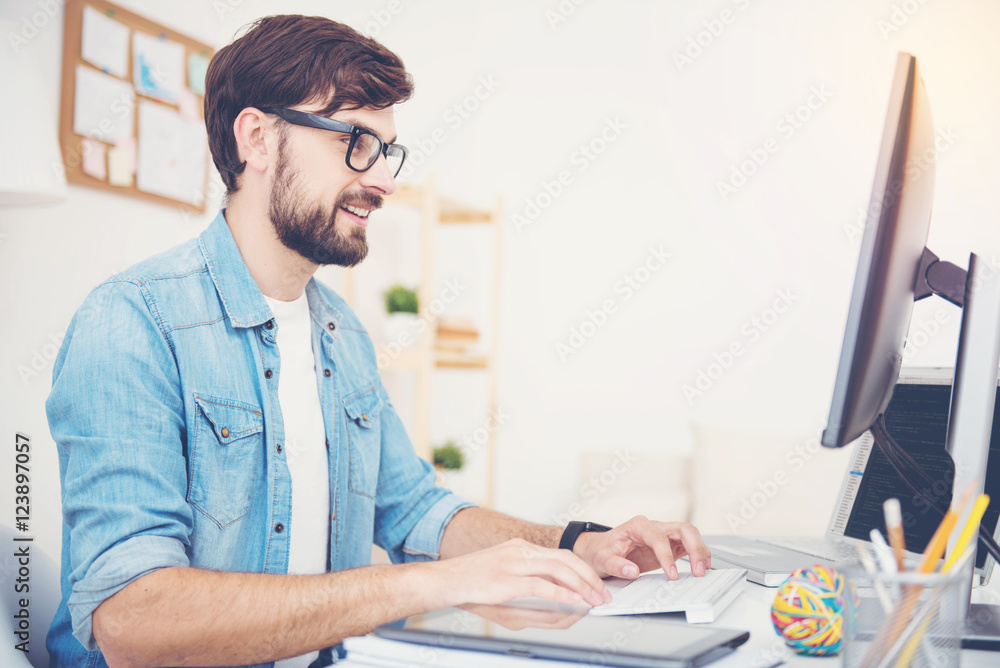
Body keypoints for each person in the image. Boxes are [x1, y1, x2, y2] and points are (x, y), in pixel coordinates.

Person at [45, 14, 711, 668]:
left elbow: (416, 509)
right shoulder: (131, 325)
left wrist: (581, 544)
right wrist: (434, 585)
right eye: (355, 141)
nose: (384, 180)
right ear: (257, 139)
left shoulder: (340, 333)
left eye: (386, 150)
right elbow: (133, 621)